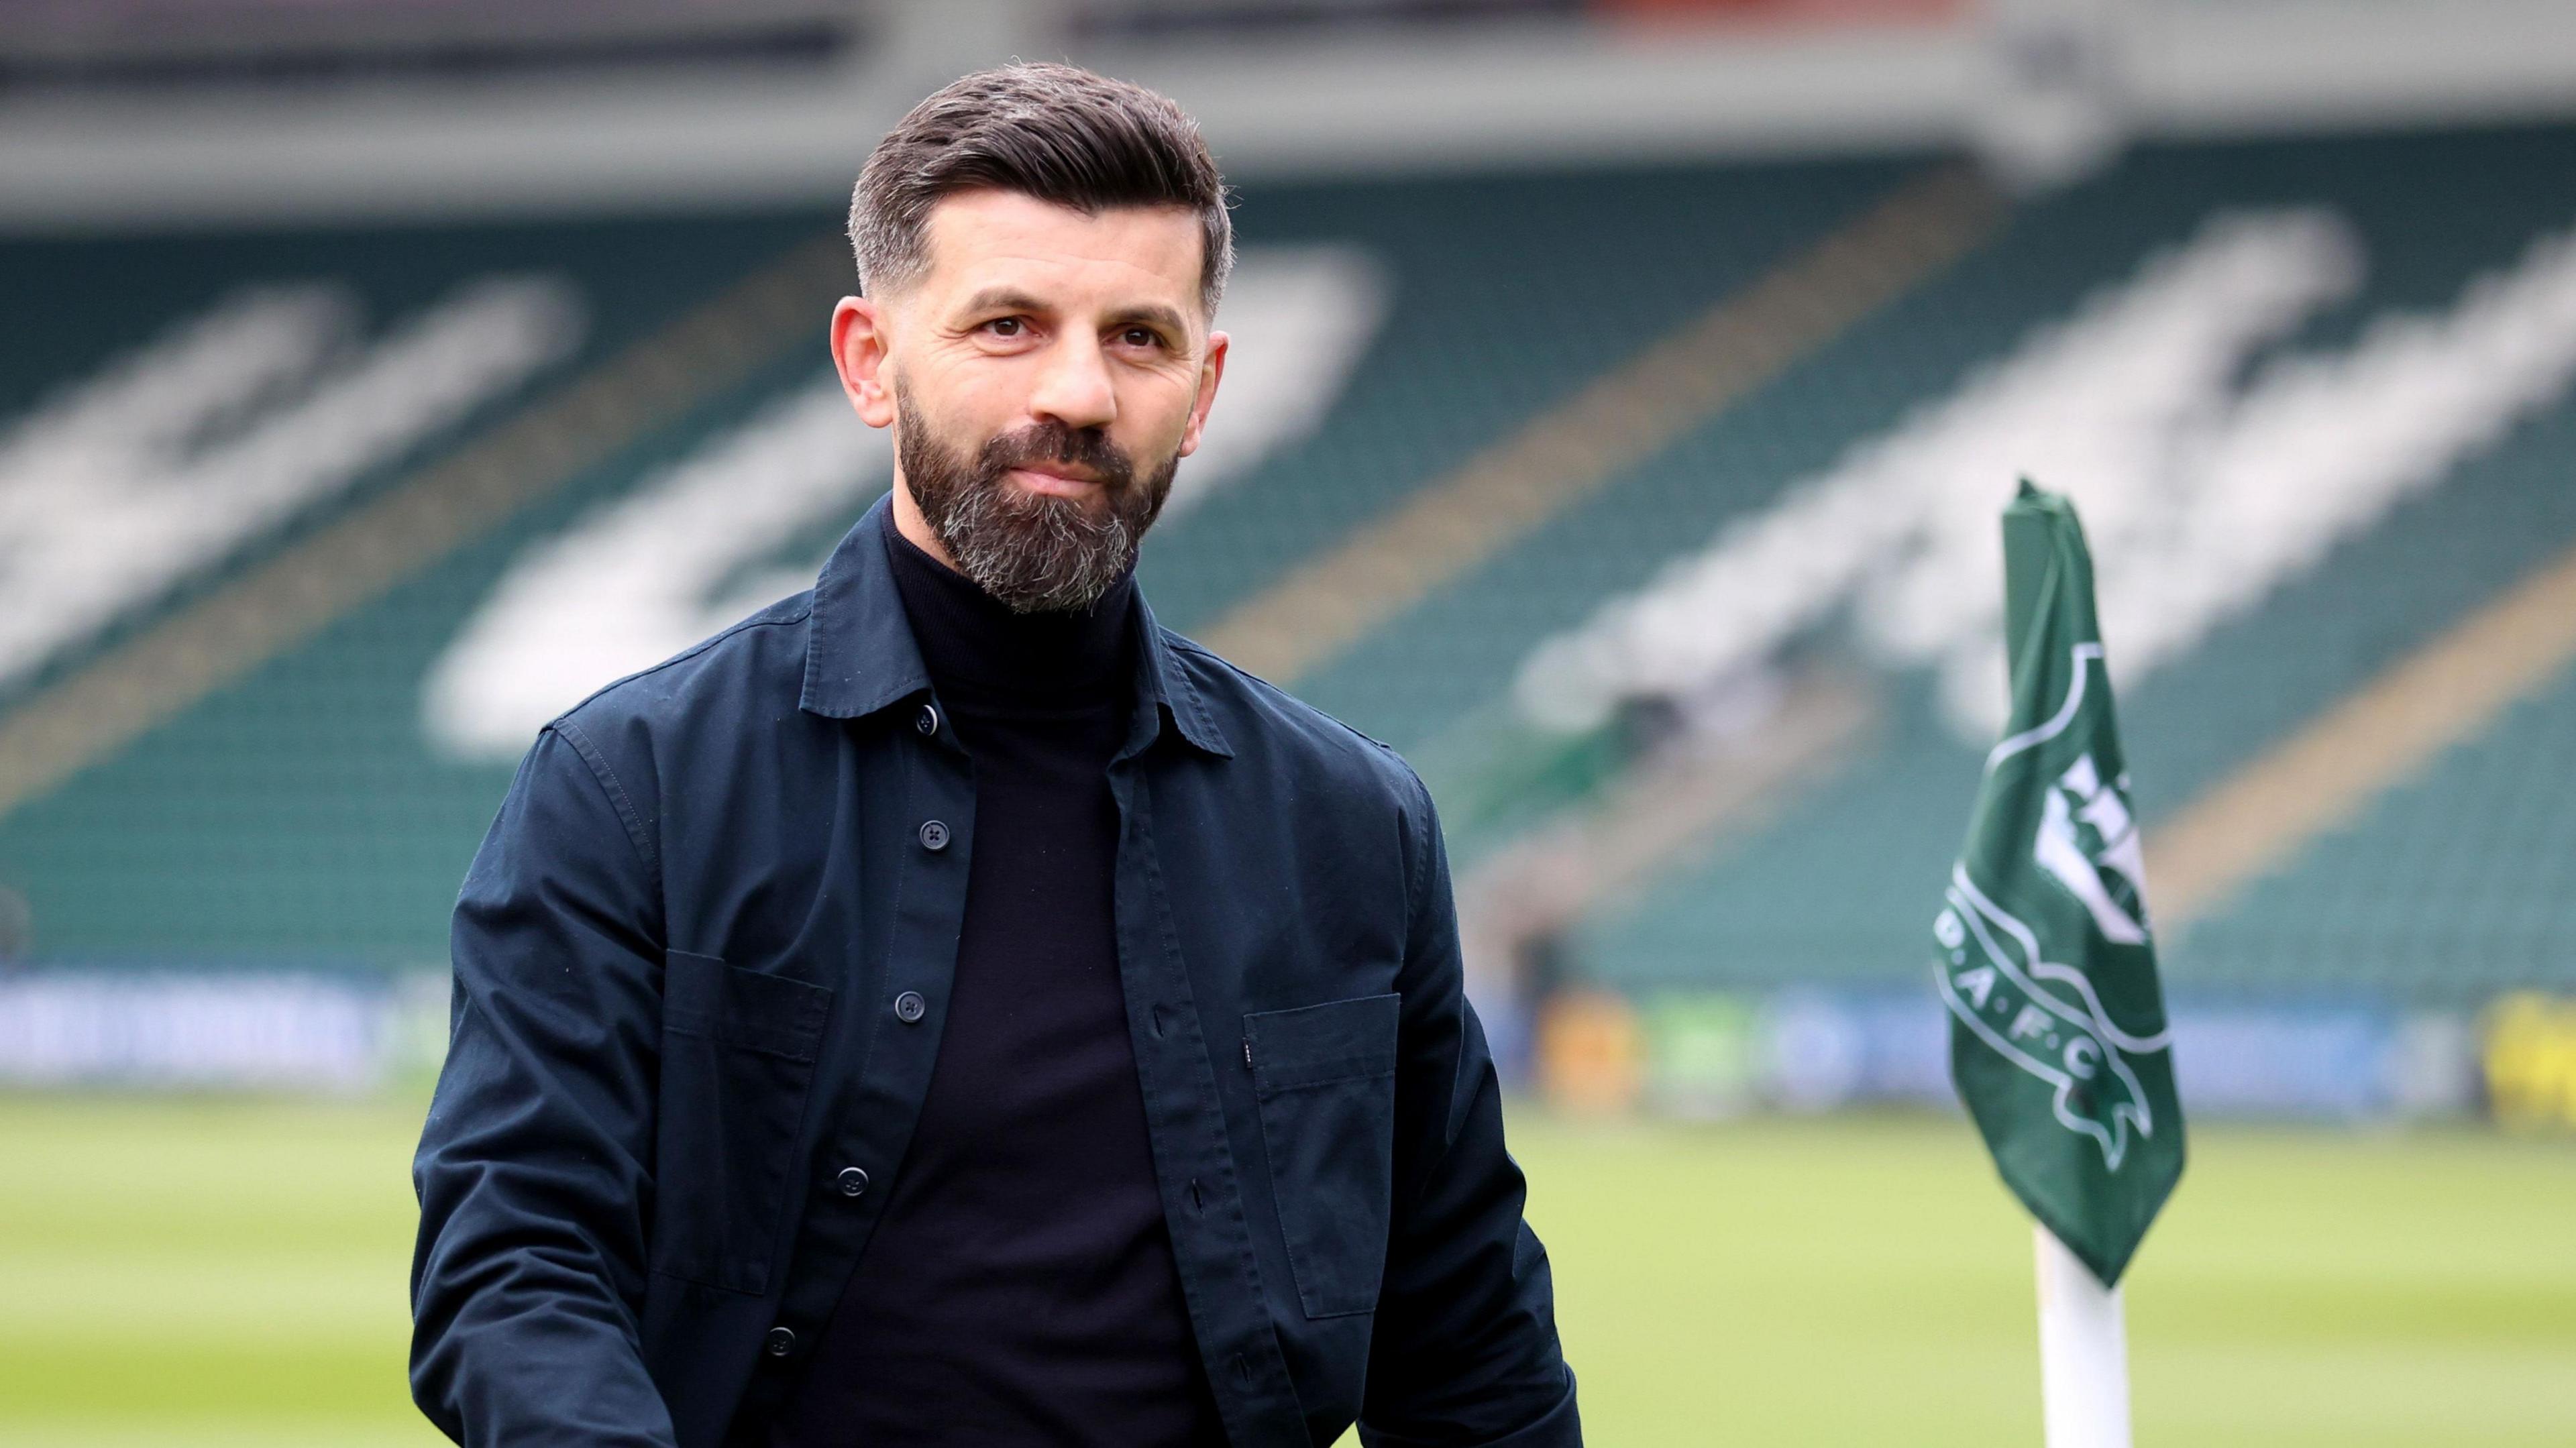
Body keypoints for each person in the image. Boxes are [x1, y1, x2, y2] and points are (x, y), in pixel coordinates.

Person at [410, 62, 1578, 1448]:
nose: (1078, 393)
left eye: (1138, 338)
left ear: (1203, 393)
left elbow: (1470, 1348)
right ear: (870, 360)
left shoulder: (1351, 825)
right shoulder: (632, 789)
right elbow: (515, 1266)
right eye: (1008, 325)